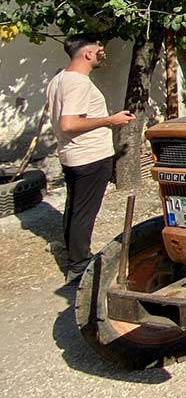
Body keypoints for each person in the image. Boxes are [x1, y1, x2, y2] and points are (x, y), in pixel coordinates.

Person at [46, 36, 136, 283]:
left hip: (72, 154)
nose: (102, 54)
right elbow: (69, 122)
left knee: (74, 206)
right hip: (89, 156)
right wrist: (111, 120)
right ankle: (79, 265)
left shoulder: (59, 79)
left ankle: (72, 251)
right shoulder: (78, 83)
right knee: (85, 211)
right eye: (99, 50)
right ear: (87, 54)